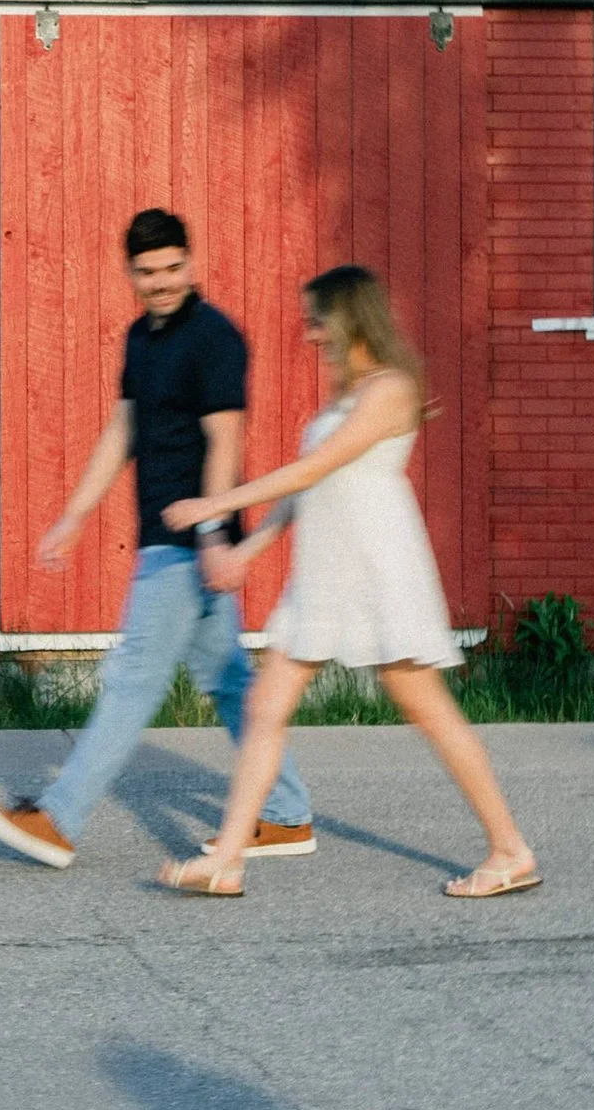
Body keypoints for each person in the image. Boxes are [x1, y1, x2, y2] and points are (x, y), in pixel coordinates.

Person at [152, 264, 539, 900]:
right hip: (326, 571)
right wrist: (247, 548)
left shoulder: (392, 389)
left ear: (350, 319)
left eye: (318, 321)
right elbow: (307, 489)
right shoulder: (345, 397)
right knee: (265, 706)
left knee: (428, 710)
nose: (310, 335)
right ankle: (226, 859)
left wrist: (212, 506)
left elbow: (312, 470)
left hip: (378, 567)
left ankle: (510, 850)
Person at [0, 209, 317, 868]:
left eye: (171, 268)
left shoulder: (215, 338)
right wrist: (75, 515)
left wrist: (213, 533)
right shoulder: (139, 338)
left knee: (133, 677)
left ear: (191, 262)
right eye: (147, 272)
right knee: (229, 680)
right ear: (129, 272)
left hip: (188, 540)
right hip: (167, 533)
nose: (161, 282)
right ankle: (285, 813)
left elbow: (225, 440)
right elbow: (122, 430)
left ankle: (59, 818)